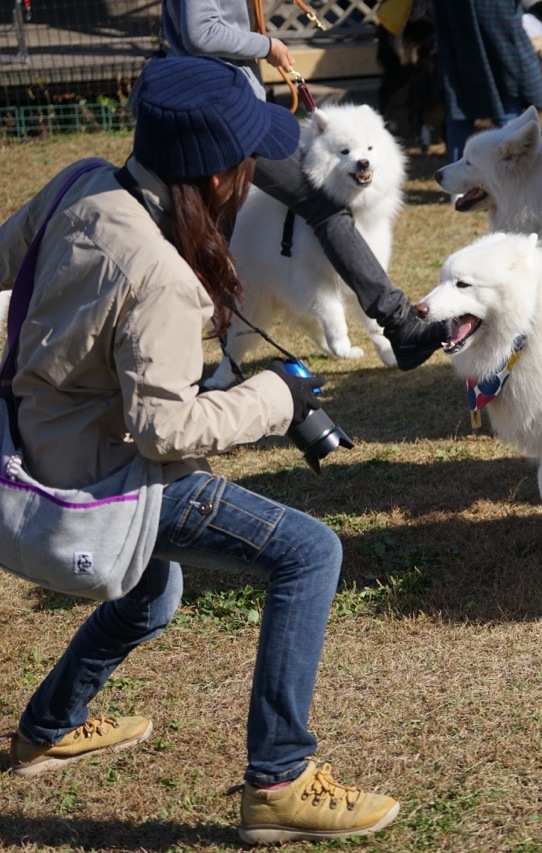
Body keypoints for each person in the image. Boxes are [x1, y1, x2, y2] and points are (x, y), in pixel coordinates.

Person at [0, 57, 399, 845]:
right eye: (250, 157)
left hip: (39, 437)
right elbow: (166, 432)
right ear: (219, 175)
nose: (258, 171)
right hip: (107, 477)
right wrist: (276, 398)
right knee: (309, 552)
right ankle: (280, 779)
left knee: (153, 594)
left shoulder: (81, 182)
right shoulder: (160, 275)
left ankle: (48, 726)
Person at [161, 0, 445, 371]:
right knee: (322, 204)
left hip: (213, 105)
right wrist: (266, 45)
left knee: (193, 229)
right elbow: (202, 32)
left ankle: (166, 347)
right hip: (226, 111)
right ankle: (399, 324)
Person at [433, 0, 542, 163]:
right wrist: (536, 85)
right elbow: (513, 40)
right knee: (506, 115)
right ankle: (508, 184)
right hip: (501, 66)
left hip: (458, 57)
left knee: (460, 113)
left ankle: (460, 183)